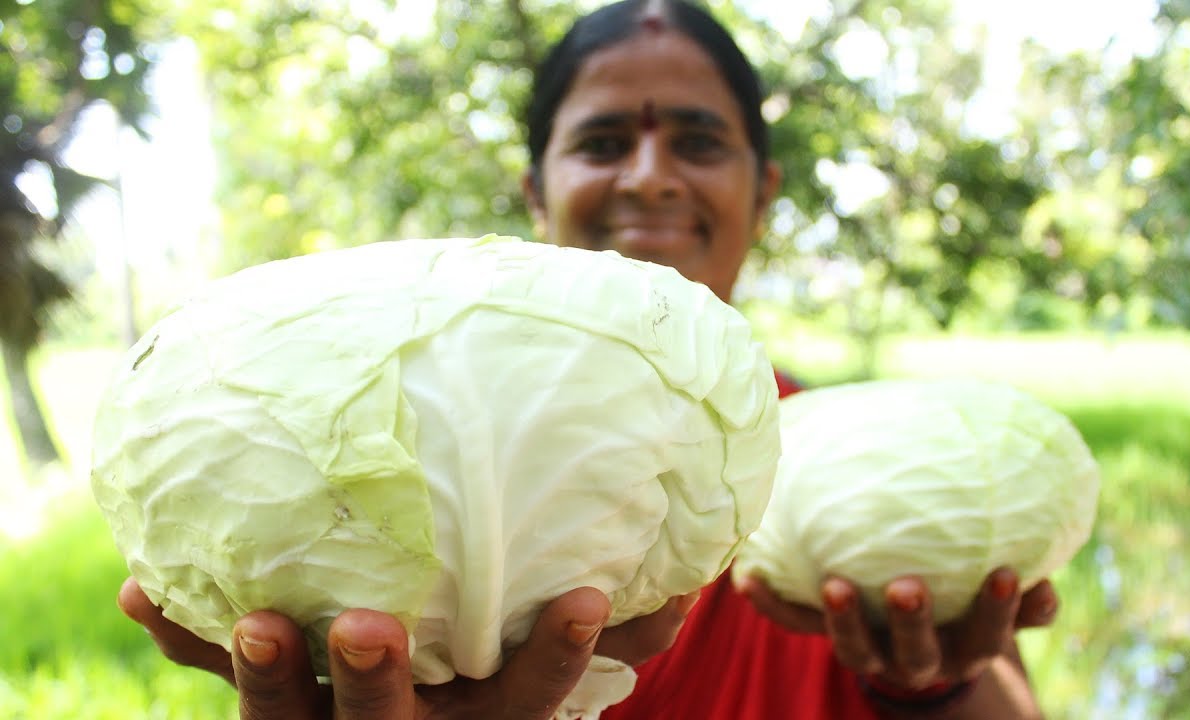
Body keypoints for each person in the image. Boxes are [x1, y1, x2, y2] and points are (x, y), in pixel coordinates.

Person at [117, 1, 1061, 717]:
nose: (649, 174)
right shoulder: (427, 402)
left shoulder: (842, 456)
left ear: (762, 191)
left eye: (696, 139)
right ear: (537, 191)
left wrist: (939, 686)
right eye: (605, 141)